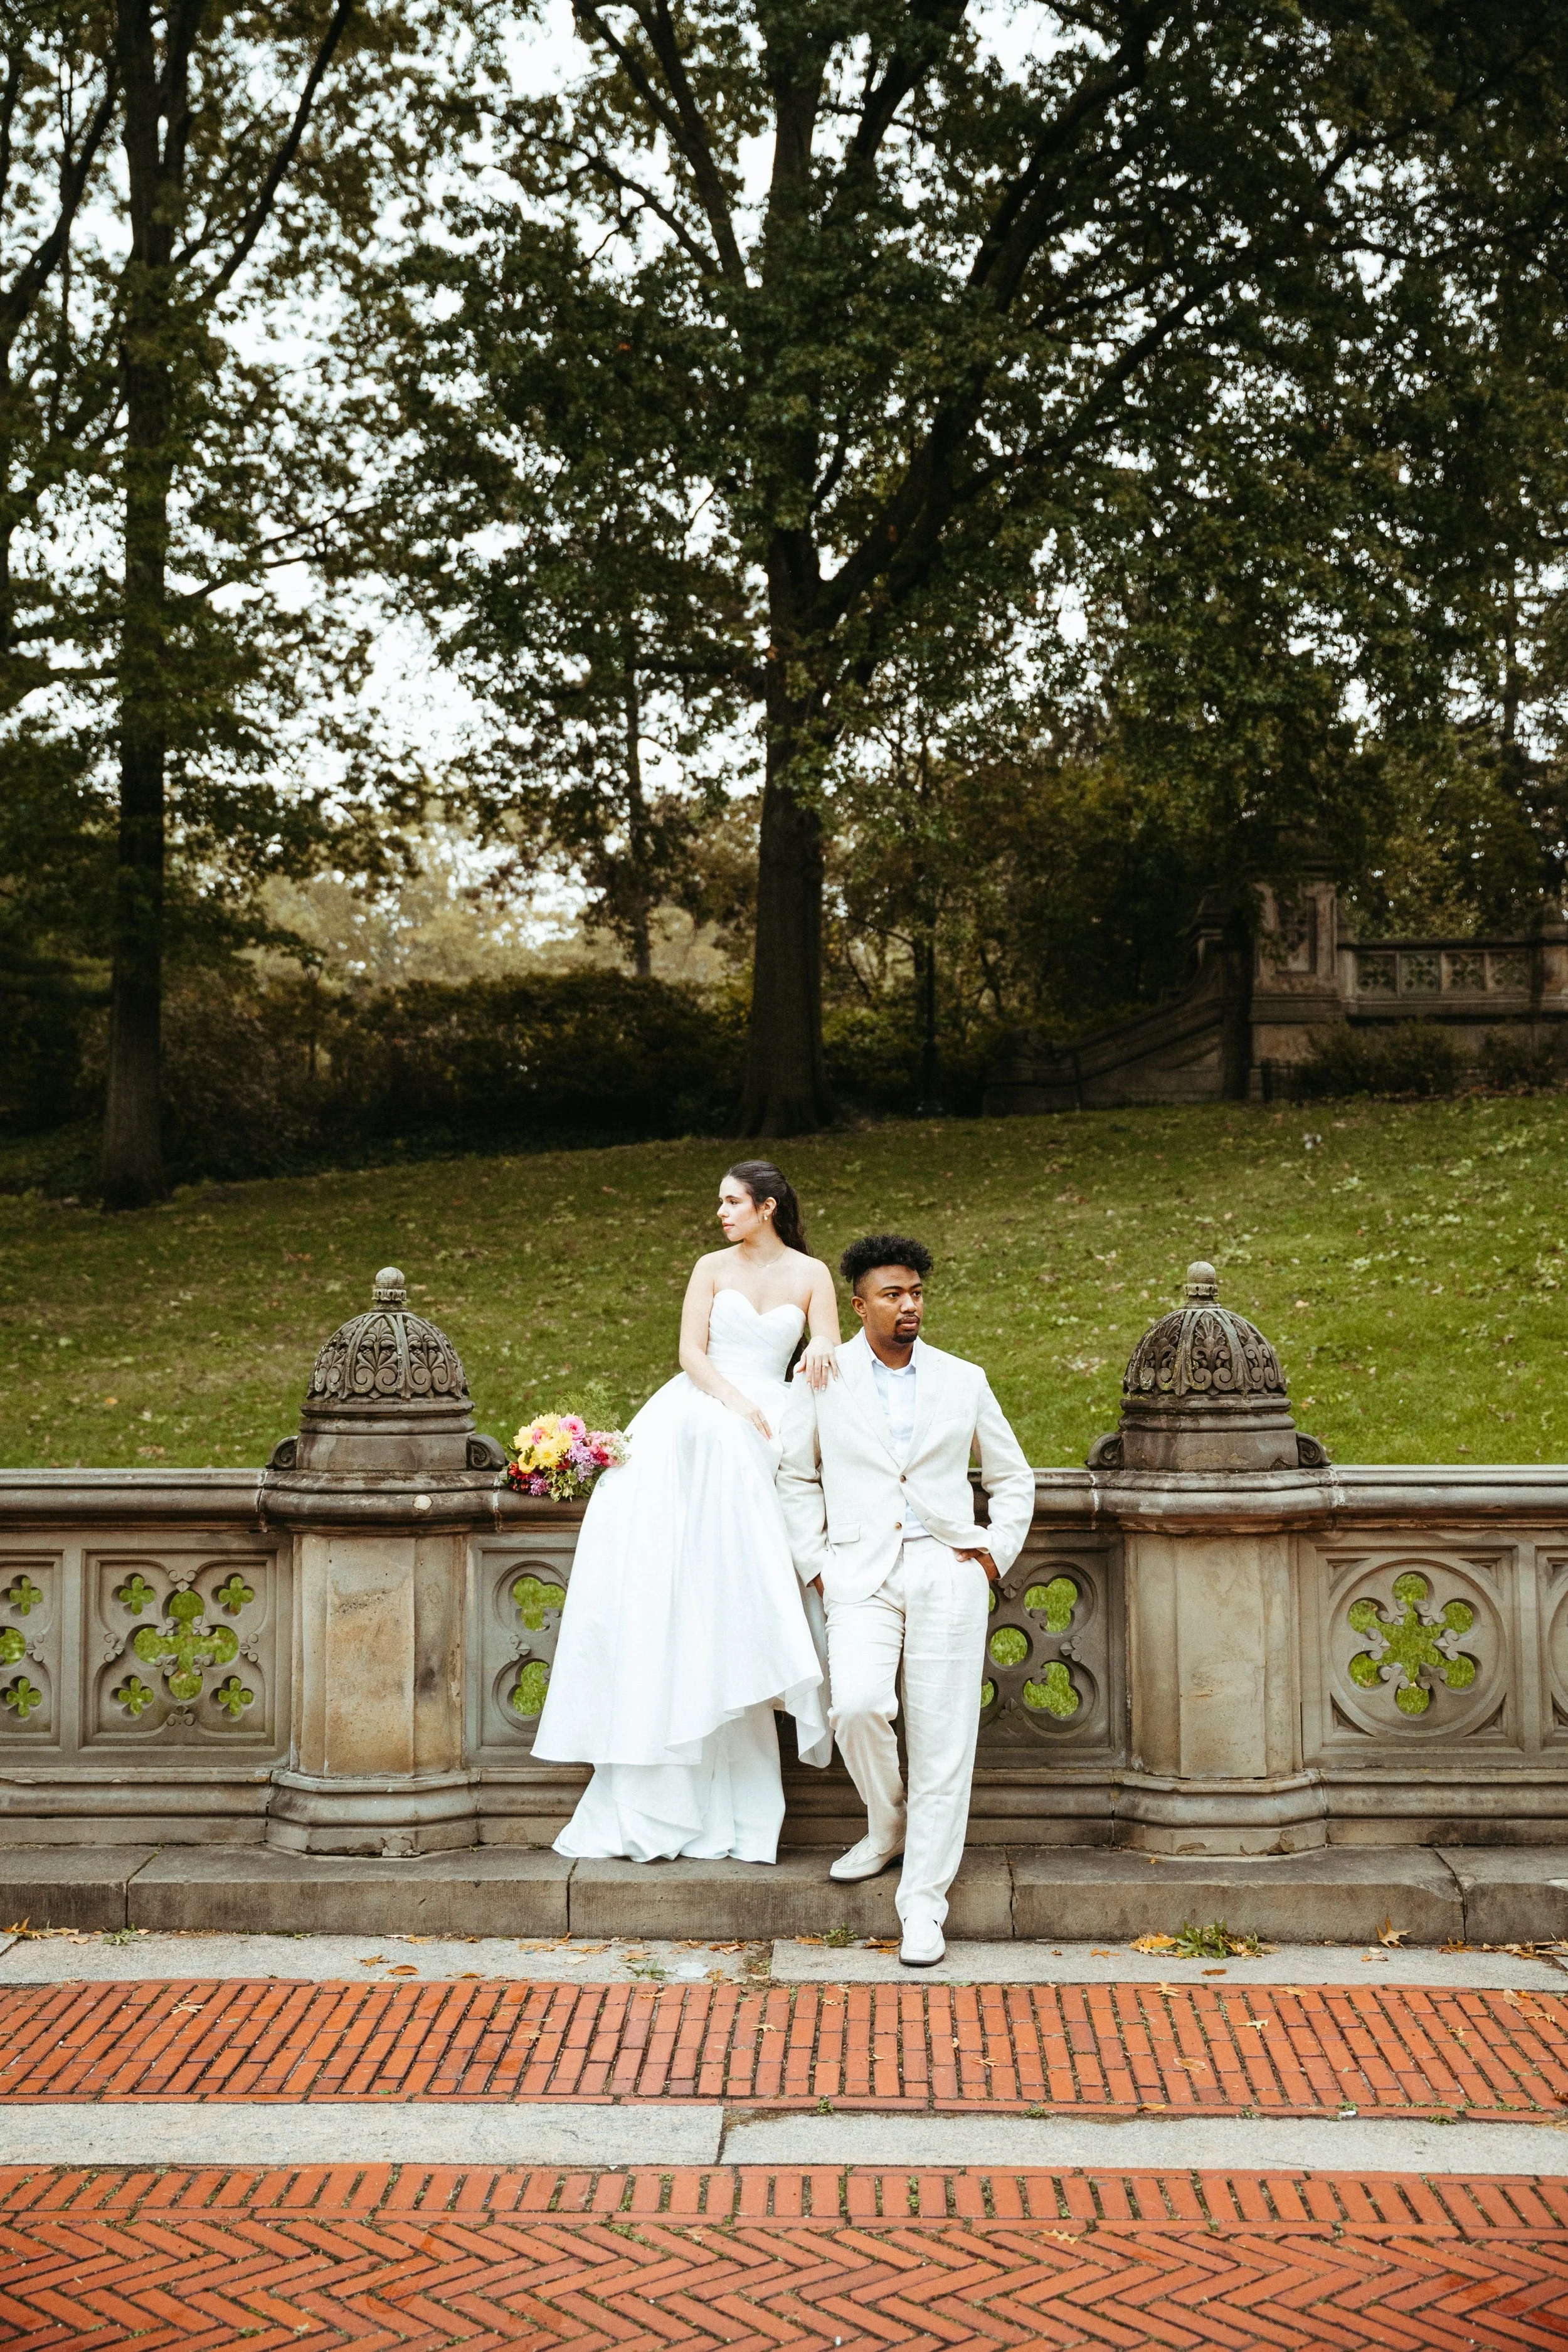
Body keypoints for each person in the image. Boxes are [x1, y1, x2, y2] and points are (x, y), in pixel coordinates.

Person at [532, 1161, 837, 1863]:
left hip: (773, 1410)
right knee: (716, 1451)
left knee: (750, 1465)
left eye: (732, 1202)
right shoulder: (710, 1266)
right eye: (721, 1202)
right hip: (704, 1406)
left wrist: (820, 1346)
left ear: (766, 1207)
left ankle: (749, 1670)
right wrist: (732, 1402)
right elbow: (690, 1351)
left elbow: (824, 1340)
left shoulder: (811, 1274)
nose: (721, 1213)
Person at [778, 1234, 1034, 1965]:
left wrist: (989, 1555)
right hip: (859, 1571)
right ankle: (887, 1823)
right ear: (858, 1306)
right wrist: (817, 1565)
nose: (909, 1304)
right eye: (893, 1294)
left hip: (946, 1566)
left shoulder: (963, 1378)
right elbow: (794, 1475)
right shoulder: (821, 1375)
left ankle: (922, 1905)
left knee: (944, 1741)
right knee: (855, 1704)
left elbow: (1013, 1478)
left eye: (916, 1292)